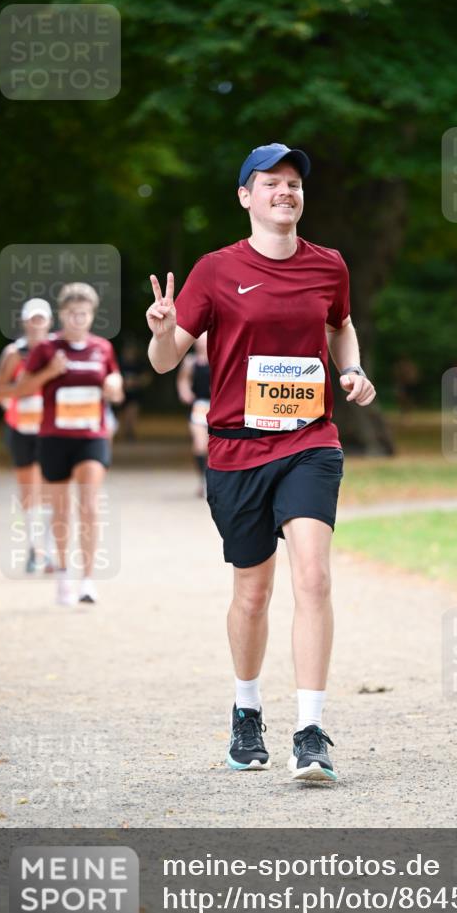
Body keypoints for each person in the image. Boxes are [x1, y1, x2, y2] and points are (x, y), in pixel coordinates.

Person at [146, 143, 375, 782]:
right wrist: (163, 330)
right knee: (252, 592)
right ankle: (247, 712)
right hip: (236, 449)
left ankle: (311, 731)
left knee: (314, 578)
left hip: (309, 441)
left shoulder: (329, 265)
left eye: (293, 183)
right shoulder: (216, 270)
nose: (285, 191)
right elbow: (164, 362)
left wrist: (352, 369)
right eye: (271, 182)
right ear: (246, 196)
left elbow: (341, 324)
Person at [10, 282, 124, 605]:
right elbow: (21, 389)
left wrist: (114, 384)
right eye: (72, 313)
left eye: (84, 314)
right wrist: (50, 372)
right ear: (62, 315)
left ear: (92, 315)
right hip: (54, 438)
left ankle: (87, 580)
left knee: (89, 504)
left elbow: (116, 387)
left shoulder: (102, 348)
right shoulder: (46, 349)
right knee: (60, 510)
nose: (78, 319)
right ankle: (63, 574)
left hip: (91, 437)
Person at [0, 298, 55, 573]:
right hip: (20, 428)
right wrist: (32, 384)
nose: (37, 324)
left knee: (50, 489)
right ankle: (34, 548)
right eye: (33, 319)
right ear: (25, 322)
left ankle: (48, 550)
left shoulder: (56, 352)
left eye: (42, 319)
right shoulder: (13, 354)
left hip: (49, 429)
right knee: (29, 491)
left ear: (49, 322)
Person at [176, 331, 211, 496]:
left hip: (217, 406)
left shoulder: (219, 357)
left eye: (205, 340)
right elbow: (183, 380)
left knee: (215, 446)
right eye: (200, 341)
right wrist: (185, 393)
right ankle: (202, 479)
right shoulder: (190, 361)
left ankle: (213, 478)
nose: (202, 344)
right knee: (200, 445)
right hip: (199, 407)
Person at [118, 339, 152, 441]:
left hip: (135, 393)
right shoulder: (120, 363)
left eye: (131, 351)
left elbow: (147, 377)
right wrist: (123, 382)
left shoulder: (139, 364)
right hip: (122, 393)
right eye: (127, 351)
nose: (129, 353)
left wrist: (135, 381)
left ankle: (130, 431)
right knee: (124, 413)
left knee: (132, 412)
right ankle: (125, 431)